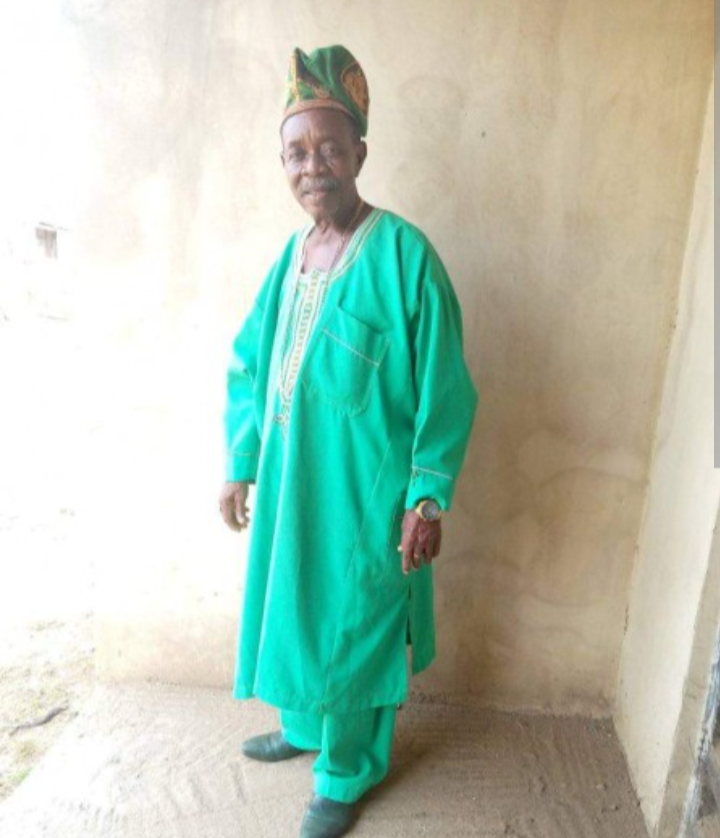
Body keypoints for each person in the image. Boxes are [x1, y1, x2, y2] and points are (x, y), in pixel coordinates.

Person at [219, 44, 478, 838]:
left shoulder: (405, 258)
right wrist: (240, 460)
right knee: (297, 604)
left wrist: (426, 497)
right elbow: (252, 364)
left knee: (357, 622)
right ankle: (305, 727)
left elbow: (445, 387)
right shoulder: (291, 260)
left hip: (366, 500)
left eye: (329, 149)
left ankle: (348, 770)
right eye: (297, 153)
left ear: (359, 153)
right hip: (293, 491)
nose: (313, 167)